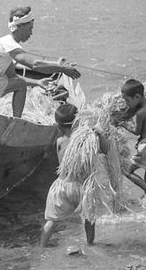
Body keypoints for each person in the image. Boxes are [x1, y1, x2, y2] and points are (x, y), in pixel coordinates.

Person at [0, 6, 81, 118]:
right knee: (21, 85)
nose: (31, 33)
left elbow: (12, 76)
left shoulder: (5, 45)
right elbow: (35, 64)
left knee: (16, 83)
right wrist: (62, 68)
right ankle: (17, 122)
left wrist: (37, 82)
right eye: (30, 28)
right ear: (21, 26)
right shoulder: (9, 44)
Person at [39, 103, 106, 247]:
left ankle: (42, 246)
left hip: (62, 186)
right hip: (83, 187)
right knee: (89, 218)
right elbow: (104, 150)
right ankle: (90, 244)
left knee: (52, 221)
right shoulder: (87, 141)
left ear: (58, 126)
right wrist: (101, 133)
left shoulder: (59, 141)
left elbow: (52, 157)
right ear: (79, 121)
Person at [112, 78, 146, 197]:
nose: (126, 103)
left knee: (126, 171)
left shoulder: (141, 113)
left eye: (127, 100)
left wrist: (122, 123)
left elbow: (136, 131)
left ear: (137, 97)